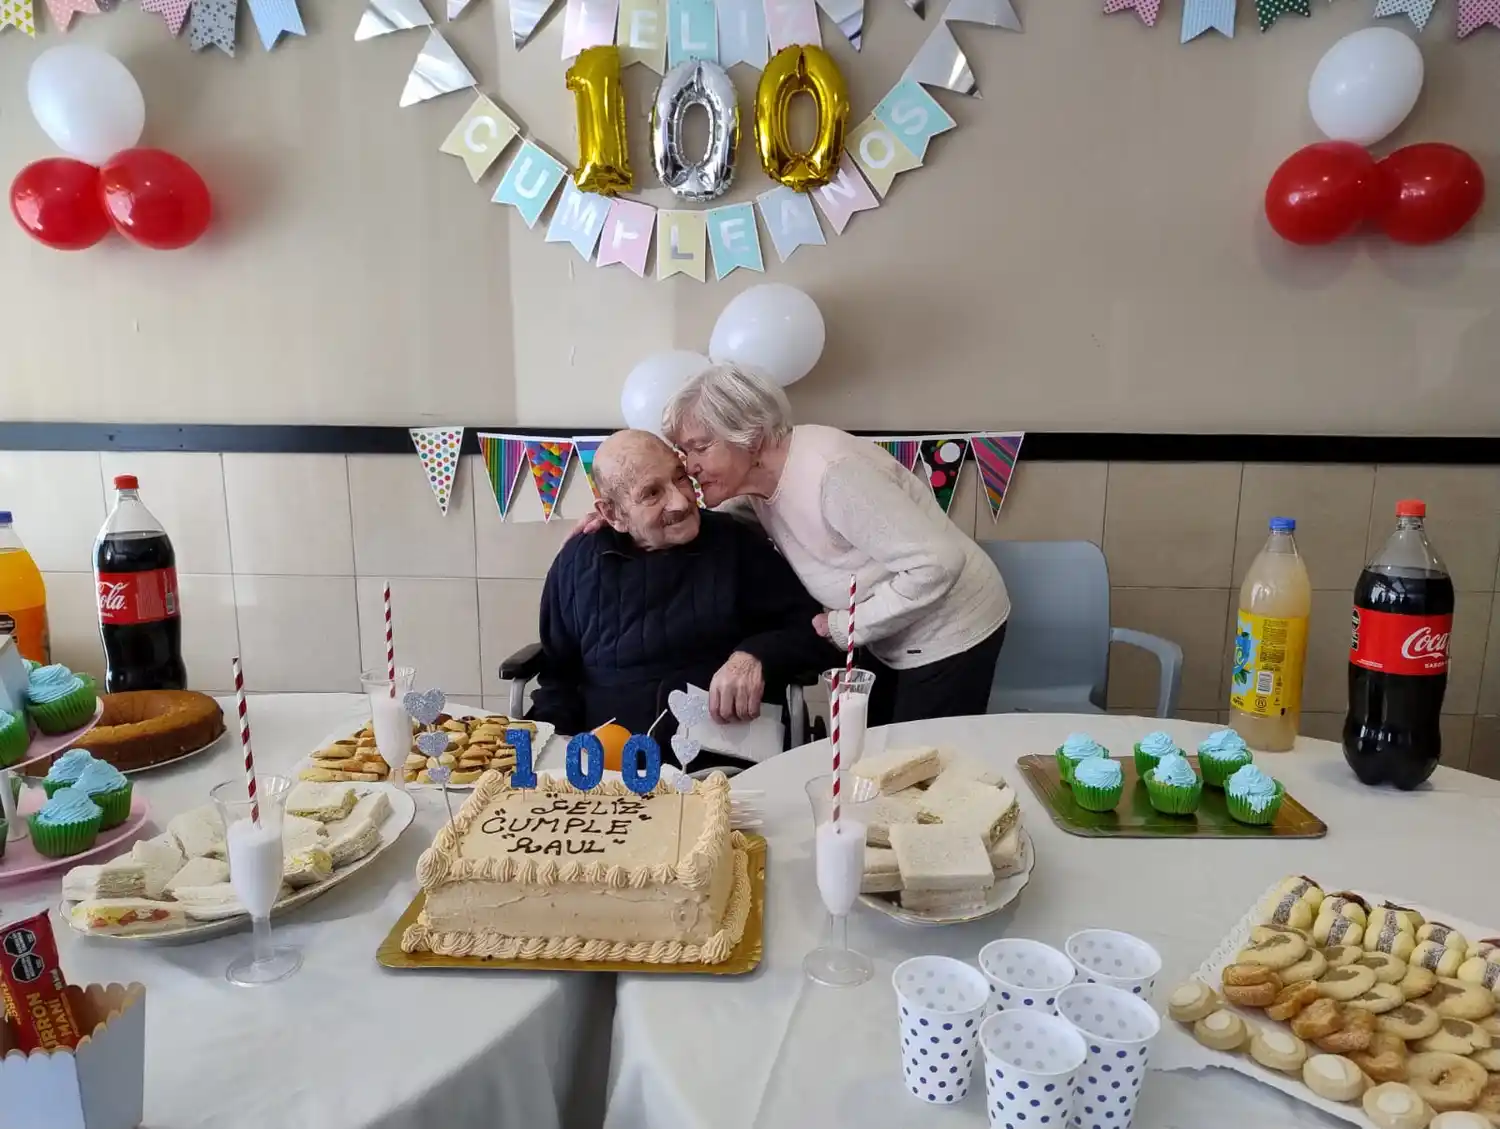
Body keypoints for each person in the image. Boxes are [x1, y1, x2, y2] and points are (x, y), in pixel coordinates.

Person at [661, 363, 1010, 726]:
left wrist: (846, 627)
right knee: (873, 751)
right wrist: (624, 521)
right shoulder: (758, 482)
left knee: (919, 768)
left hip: (950, 626)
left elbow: (937, 564)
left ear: (750, 436)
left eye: (700, 447)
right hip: (889, 630)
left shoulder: (834, 476)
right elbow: (731, 518)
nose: (691, 466)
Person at [527, 429, 837, 744]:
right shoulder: (578, 563)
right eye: (651, 493)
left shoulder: (734, 545)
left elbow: (813, 630)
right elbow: (558, 678)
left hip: (725, 763)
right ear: (613, 513)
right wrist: (551, 753)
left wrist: (755, 655)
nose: (680, 501)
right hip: (608, 769)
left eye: (680, 478)